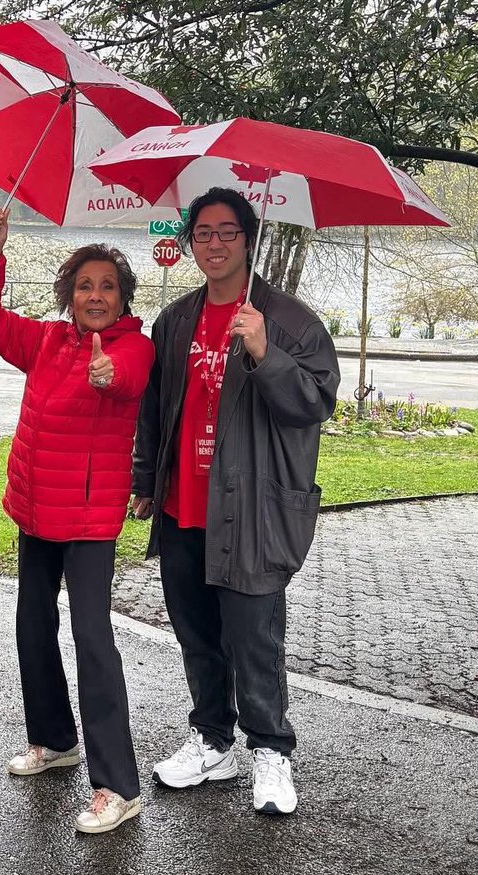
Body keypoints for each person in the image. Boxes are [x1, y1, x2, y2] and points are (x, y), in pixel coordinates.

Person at [130, 187, 339, 816]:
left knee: (254, 641)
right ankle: (212, 740)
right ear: (190, 243)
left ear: (249, 240)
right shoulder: (175, 320)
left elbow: (315, 403)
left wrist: (265, 352)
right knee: (197, 634)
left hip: (251, 510)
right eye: (203, 233)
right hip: (183, 506)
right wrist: (146, 481)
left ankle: (270, 749)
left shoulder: (291, 322)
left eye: (227, 232)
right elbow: (156, 410)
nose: (214, 244)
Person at [0, 206, 154, 834]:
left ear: (123, 298)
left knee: (93, 640)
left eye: (107, 287)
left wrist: (107, 373)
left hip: (89, 522)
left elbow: (126, 378)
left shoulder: (134, 348)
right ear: (68, 295)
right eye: (84, 286)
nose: (95, 296)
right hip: (35, 510)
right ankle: (54, 740)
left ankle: (117, 786)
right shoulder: (46, 342)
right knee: (33, 626)